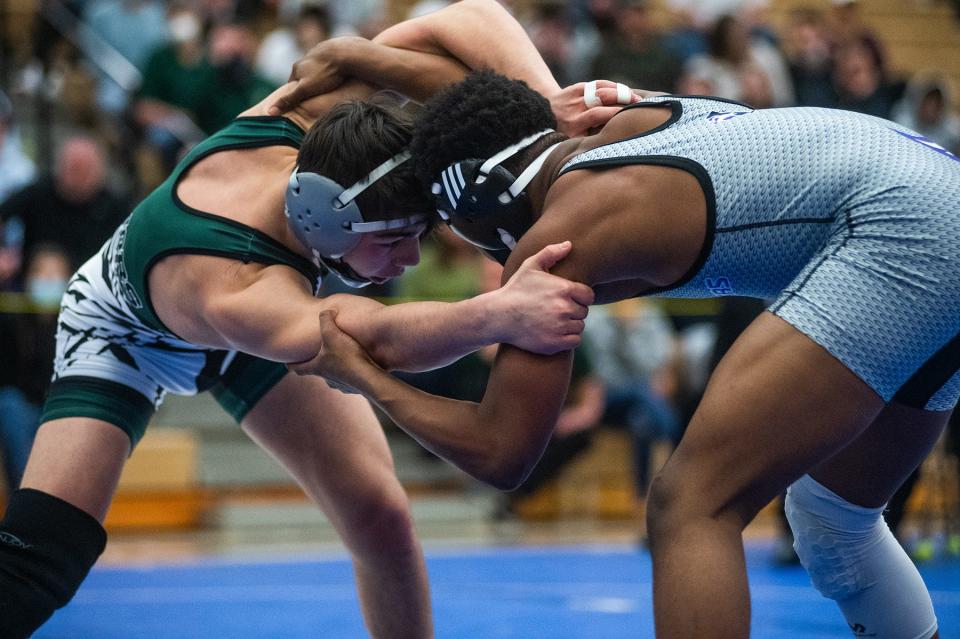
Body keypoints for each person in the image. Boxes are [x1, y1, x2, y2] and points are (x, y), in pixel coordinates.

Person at [0, 2, 615, 636]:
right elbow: (365, 339)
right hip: (126, 333)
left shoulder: (314, 123)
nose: (407, 259)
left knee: (381, 516)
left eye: (419, 236)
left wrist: (546, 111)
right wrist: (498, 315)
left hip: (274, 309)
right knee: (46, 556)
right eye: (394, 239)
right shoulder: (235, 284)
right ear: (328, 219)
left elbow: (468, 16)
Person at [296, 68, 960, 638]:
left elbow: (502, 453)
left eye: (454, 225)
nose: (476, 248)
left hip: (900, 233)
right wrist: (357, 59)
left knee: (691, 502)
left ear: (477, 196)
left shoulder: (561, 234)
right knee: (833, 520)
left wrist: (365, 378)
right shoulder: (636, 114)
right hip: (934, 196)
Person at [0, 135, 129, 287]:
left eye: (86, 169)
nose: (79, 177)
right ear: (60, 166)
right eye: (74, 168)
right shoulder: (38, 193)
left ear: (100, 170)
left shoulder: (115, 206)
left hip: (94, 290)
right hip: (30, 290)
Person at [0, 244, 71, 492]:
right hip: (21, 403)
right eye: (43, 273)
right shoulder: (11, 315)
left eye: (56, 274)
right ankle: (25, 497)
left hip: (59, 403)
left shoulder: (76, 320)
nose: (49, 280)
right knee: (9, 405)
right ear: (29, 277)